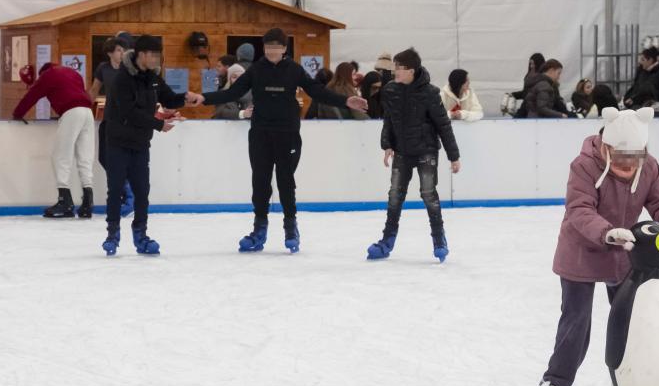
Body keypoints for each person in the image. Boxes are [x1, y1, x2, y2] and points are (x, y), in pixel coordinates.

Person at [539, 107, 659, 386]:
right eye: (621, 156)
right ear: (607, 147)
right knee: (577, 318)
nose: (628, 163)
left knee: (632, 319)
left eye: (635, 156)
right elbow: (579, 209)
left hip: (623, 254)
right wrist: (606, 232)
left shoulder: (649, 167)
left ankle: (629, 379)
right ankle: (557, 379)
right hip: (580, 250)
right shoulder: (584, 165)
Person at [195, 28, 368, 253]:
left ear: (285, 49)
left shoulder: (294, 70)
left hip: (287, 135)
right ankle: (259, 228)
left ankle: (290, 226)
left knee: (286, 181)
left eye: (277, 47)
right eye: (268, 47)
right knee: (260, 182)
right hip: (260, 134)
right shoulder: (256, 70)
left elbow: (317, 92)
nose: (272, 51)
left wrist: (347, 101)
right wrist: (203, 98)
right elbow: (232, 92)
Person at [102, 35, 200, 255]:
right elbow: (128, 111)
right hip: (117, 142)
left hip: (140, 143)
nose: (157, 59)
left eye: (159, 55)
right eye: (154, 55)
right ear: (142, 55)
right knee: (116, 189)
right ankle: (112, 233)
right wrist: (158, 124)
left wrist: (186, 97)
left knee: (142, 190)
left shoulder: (153, 77)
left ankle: (141, 235)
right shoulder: (122, 78)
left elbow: (168, 99)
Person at [366, 48, 460, 263]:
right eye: (395, 67)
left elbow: (443, 125)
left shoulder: (429, 93)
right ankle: (387, 241)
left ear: (412, 70)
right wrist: (387, 145)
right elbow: (389, 120)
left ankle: (439, 240)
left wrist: (453, 156)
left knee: (428, 194)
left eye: (400, 68)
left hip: (426, 151)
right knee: (395, 196)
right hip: (402, 152)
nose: (395, 71)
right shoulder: (390, 91)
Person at [12, 62, 96, 218]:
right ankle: (88, 202)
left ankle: (65, 201)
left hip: (72, 113)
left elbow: (32, 95)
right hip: (88, 113)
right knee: (85, 158)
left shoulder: (48, 75)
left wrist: (18, 113)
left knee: (60, 157)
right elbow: (73, 93)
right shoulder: (73, 73)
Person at [90, 37, 133, 215]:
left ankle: (128, 196)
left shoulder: (130, 69)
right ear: (109, 53)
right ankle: (125, 189)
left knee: (122, 158)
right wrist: (82, 106)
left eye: (124, 50)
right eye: (118, 50)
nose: (122, 53)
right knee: (104, 157)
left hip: (126, 120)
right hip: (108, 119)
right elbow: (94, 90)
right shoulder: (103, 68)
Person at [623, 47, 659, 114]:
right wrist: (632, 98)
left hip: (658, 106)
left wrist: (654, 96)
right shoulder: (641, 72)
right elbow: (637, 88)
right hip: (641, 105)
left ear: (650, 60)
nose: (640, 62)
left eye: (643, 59)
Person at [512, 52, 546, 117]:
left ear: (539, 64)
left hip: (534, 110)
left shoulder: (542, 78)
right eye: (530, 63)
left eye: (533, 64)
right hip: (526, 106)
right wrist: (513, 95)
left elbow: (529, 94)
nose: (531, 66)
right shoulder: (529, 76)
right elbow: (525, 92)